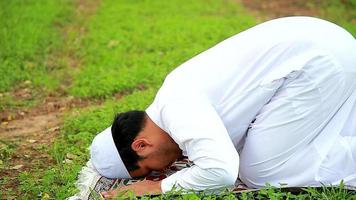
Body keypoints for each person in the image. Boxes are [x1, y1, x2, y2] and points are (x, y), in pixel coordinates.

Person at [89, 16, 356, 198]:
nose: (159, 172)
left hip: (318, 62)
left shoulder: (177, 109)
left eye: (148, 170)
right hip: (324, 45)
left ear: (141, 145)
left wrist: (157, 188)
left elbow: (221, 171)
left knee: (262, 173)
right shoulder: (171, 98)